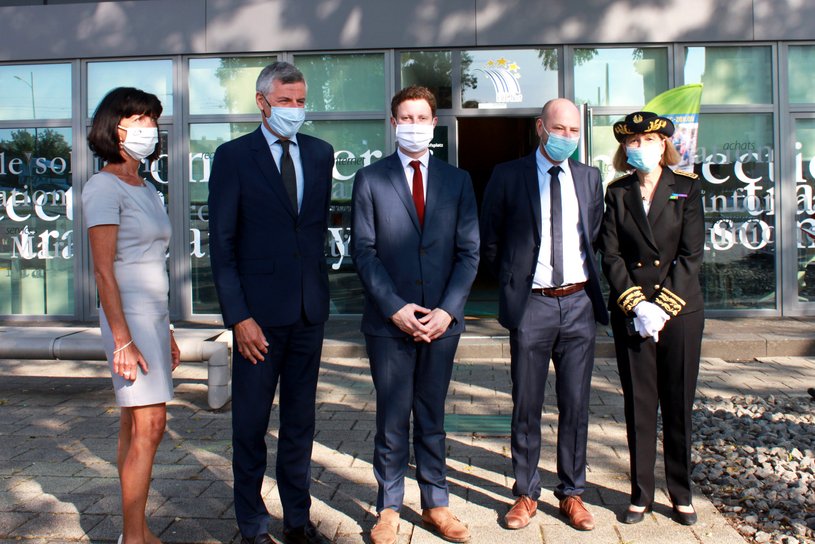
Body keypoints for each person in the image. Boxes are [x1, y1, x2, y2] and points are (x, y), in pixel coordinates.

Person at [208, 62, 334, 544]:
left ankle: (298, 522)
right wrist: (239, 316)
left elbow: (313, 230)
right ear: (262, 102)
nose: (295, 110)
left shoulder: (320, 154)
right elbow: (223, 244)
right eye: (286, 101)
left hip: (308, 313)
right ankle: (253, 527)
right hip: (256, 321)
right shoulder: (233, 157)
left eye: (301, 101)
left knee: (300, 425)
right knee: (251, 427)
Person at [351, 85, 480, 544]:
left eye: (422, 116)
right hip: (389, 324)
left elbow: (470, 253)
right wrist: (395, 308)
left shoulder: (457, 180)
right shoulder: (370, 179)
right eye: (405, 117)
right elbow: (363, 253)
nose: (413, 124)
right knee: (391, 418)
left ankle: (436, 504)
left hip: (441, 324)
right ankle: (387, 508)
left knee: (432, 415)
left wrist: (447, 311)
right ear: (393, 123)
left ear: (434, 122)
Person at [480, 98, 608, 532]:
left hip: (578, 305)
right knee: (527, 403)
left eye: (574, 131)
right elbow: (490, 239)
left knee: (575, 404)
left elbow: (594, 238)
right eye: (559, 129)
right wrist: (514, 281)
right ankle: (525, 492)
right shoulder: (508, 176)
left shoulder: (590, 179)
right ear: (540, 127)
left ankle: (572, 492)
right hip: (532, 304)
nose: (566, 138)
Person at [83, 87, 181, 544]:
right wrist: (122, 339)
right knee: (151, 423)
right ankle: (135, 537)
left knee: (133, 421)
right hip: (127, 320)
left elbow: (152, 263)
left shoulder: (146, 187)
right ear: (114, 126)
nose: (149, 128)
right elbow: (104, 271)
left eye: (152, 120)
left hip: (153, 317)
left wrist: (170, 332)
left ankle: (135, 532)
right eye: (138, 119)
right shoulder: (102, 186)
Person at [599, 111, 705, 526]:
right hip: (633, 313)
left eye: (646, 140)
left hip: (680, 313)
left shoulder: (686, 188)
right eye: (631, 142)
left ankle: (681, 493)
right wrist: (638, 306)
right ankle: (641, 493)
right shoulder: (618, 192)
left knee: (678, 404)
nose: (637, 148)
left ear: (663, 144)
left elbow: (691, 254)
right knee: (640, 406)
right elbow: (610, 253)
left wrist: (662, 306)